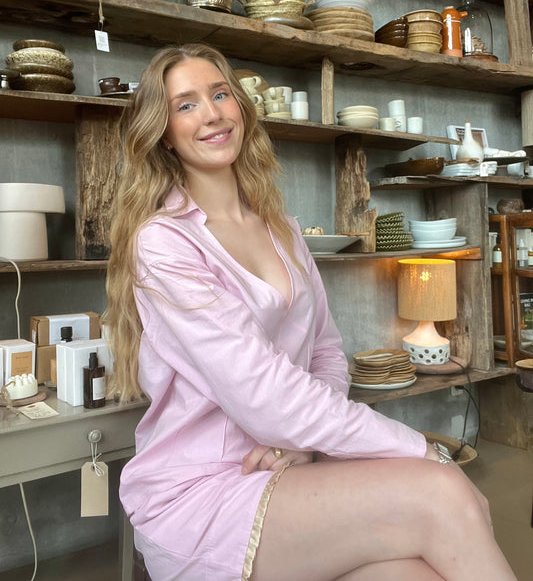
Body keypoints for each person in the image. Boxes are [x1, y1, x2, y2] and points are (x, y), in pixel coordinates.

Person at [104, 43, 517, 581]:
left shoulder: (284, 230)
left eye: (220, 94)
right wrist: (420, 449)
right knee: (445, 493)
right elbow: (261, 392)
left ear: (240, 108)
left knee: (418, 570)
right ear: (163, 131)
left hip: (285, 463)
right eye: (186, 104)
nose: (211, 114)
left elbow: (324, 349)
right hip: (203, 487)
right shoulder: (165, 242)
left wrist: (302, 443)